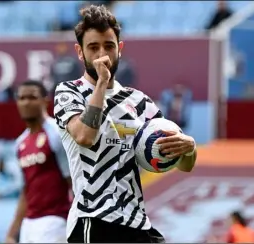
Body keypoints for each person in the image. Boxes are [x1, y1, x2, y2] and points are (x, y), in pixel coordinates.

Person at [53, 4, 197, 243]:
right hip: (93, 220)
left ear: (119, 49)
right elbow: (84, 136)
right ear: (80, 52)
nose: (102, 55)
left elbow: (183, 165)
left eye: (109, 46)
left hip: (137, 221)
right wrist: (101, 84)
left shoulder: (140, 102)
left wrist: (189, 147)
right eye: (93, 47)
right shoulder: (69, 92)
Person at [6, 80, 72, 243]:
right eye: (21, 98)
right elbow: (26, 190)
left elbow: (73, 180)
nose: (26, 102)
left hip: (55, 220)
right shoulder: (20, 143)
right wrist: (12, 232)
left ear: (45, 100)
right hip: (29, 223)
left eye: (32, 97)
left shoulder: (57, 134)